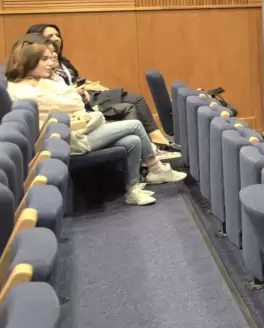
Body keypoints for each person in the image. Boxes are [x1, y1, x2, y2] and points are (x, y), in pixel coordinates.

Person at [6, 38, 184, 206]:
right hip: (66, 141)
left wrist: (76, 107)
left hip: (74, 131)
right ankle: (156, 168)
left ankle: (133, 190)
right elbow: (75, 102)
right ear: (29, 62)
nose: (51, 63)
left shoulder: (41, 83)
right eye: (43, 59)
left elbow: (74, 102)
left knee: (132, 141)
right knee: (135, 125)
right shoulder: (25, 92)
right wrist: (76, 107)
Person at [28, 24, 179, 155]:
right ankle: (151, 150)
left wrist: (88, 85)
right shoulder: (44, 73)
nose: (56, 38)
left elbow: (76, 79)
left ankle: (156, 142)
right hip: (83, 108)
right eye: (50, 36)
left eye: (57, 35)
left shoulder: (63, 61)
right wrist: (75, 92)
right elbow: (69, 99)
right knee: (129, 107)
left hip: (86, 96)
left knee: (136, 98)